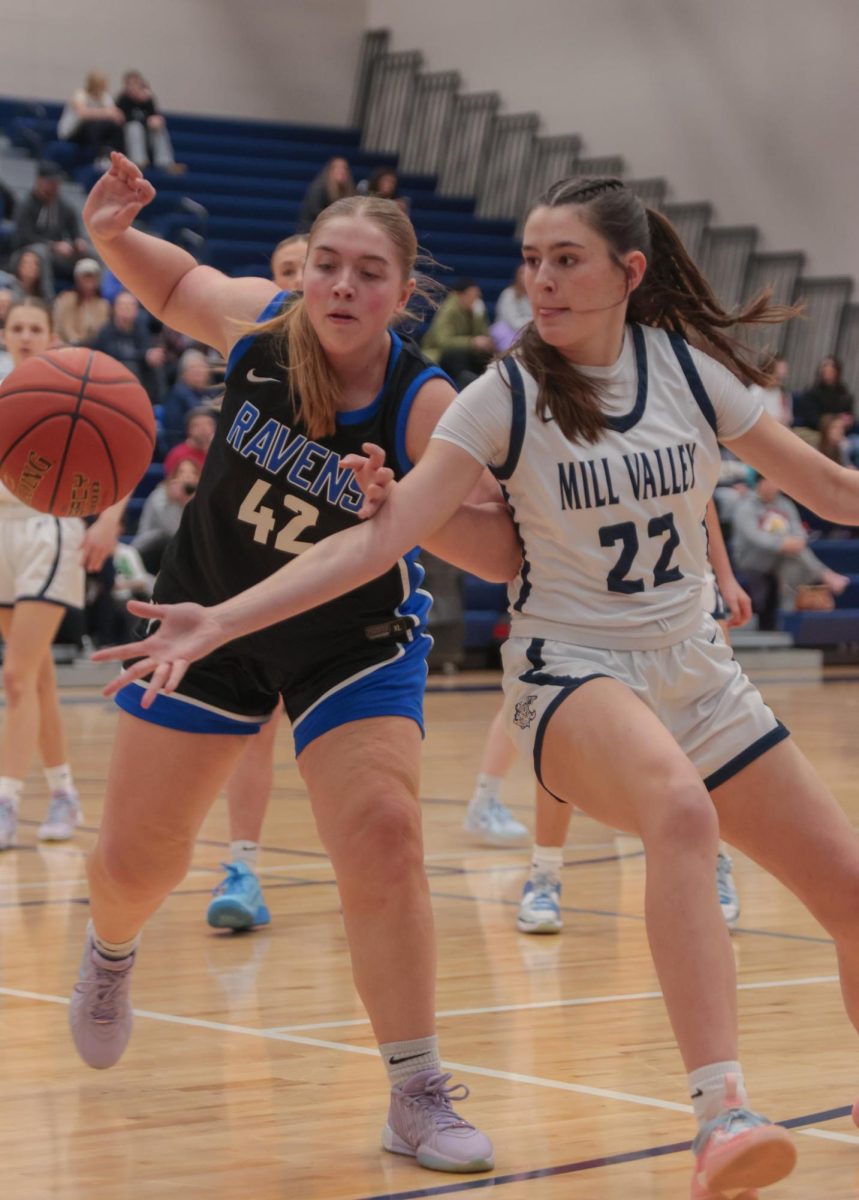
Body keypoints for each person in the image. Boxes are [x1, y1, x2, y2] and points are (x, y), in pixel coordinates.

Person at [108, 174, 859, 1200]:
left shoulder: (681, 371)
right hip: (571, 667)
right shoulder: (495, 393)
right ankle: (721, 1113)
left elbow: (828, 492)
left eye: (564, 260)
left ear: (626, 274)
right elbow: (383, 538)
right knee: (677, 811)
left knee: (850, 896)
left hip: (691, 669)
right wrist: (225, 618)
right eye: (531, 259)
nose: (539, 280)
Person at [70, 152, 522, 1172]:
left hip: (348, 641)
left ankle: (415, 1091)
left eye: (369, 272)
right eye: (328, 264)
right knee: (135, 866)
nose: (343, 286)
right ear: (304, 271)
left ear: (404, 296)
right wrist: (108, 235)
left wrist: (401, 512)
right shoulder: (265, 327)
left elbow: (498, 554)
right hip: (205, 615)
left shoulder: (423, 403)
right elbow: (179, 284)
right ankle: (109, 953)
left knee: (385, 835)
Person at [466, 500, 751, 934]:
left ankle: (716, 863)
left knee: (701, 739)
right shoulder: (552, 438)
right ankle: (544, 873)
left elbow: (704, 498)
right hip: (589, 599)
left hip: (683, 587)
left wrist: (726, 578)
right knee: (562, 745)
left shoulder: (685, 434)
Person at [0, 299, 125, 847]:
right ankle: (64, 794)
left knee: (15, 676)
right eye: (17, 328)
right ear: (5, 336)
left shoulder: (77, 384)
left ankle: (5, 800)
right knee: (38, 680)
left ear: (52, 336)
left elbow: (129, 452)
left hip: (48, 529)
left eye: (35, 328)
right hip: (1, 534)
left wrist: (109, 522)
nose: (25, 336)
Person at [731, 474, 849, 628]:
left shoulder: (785, 504)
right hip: (751, 557)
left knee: (792, 563)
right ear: (760, 483)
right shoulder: (746, 505)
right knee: (794, 553)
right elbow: (754, 537)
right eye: (769, 482)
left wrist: (793, 543)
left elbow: (798, 532)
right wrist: (781, 543)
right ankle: (825, 575)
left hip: (782, 556)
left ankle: (785, 615)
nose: (773, 486)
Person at [131, 457, 200, 575]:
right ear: (174, 476)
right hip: (150, 548)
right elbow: (174, 531)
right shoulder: (160, 496)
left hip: (180, 552)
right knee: (168, 542)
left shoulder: (201, 501)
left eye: (193, 473)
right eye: (182, 472)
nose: (187, 476)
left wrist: (191, 504)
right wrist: (178, 503)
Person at [93, 290, 165, 400]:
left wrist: (151, 355)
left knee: (155, 365)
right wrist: (144, 355)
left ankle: (155, 403)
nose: (126, 309)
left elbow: (146, 351)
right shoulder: (106, 332)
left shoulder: (141, 329)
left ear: (137, 310)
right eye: (122, 306)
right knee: (130, 366)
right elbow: (113, 355)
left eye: (131, 306)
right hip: (109, 374)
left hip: (139, 376)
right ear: (114, 309)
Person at [421, 278, 493, 386]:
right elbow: (444, 342)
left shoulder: (477, 310)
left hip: (466, 350)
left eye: (477, 296)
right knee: (458, 355)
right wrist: (472, 342)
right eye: (471, 295)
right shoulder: (448, 310)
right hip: (439, 352)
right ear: (460, 295)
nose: (475, 299)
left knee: (486, 355)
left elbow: (483, 334)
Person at [114, 71, 181, 172]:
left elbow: (154, 115)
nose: (134, 87)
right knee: (134, 127)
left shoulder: (148, 100)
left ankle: (165, 162)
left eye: (137, 84)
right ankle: (138, 161)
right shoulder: (122, 100)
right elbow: (122, 119)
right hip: (129, 133)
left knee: (159, 128)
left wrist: (157, 121)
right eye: (131, 84)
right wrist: (146, 121)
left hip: (146, 133)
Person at [57, 72, 125, 165]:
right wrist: (106, 112)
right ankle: (99, 158)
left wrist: (115, 115)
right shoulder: (80, 94)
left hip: (90, 131)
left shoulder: (104, 96)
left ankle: (116, 156)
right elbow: (83, 114)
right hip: (72, 132)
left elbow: (116, 114)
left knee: (114, 126)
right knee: (93, 125)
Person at [160, 351, 216, 450]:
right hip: (188, 446)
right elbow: (174, 431)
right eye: (193, 368)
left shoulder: (213, 393)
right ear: (183, 374)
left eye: (202, 367)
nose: (199, 371)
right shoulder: (176, 394)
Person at [53, 258, 111, 346]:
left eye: (92, 277)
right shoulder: (65, 300)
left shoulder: (103, 305)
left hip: (94, 348)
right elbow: (61, 326)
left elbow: (101, 331)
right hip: (66, 347)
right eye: (85, 277)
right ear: (77, 279)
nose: (89, 281)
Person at [793, 355, 854, 431]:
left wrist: (848, 421)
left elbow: (849, 415)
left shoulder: (843, 394)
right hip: (817, 432)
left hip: (841, 433)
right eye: (825, 369)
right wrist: (835, 419)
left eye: (831, 370)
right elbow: (813, 420)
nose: (828, 373)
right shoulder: (812, 393)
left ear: (837, 373)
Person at [297, 156, 355, 232]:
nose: (341, 171)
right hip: (312, 229)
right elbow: (315, 211)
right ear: (330, 171)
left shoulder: (348, 190)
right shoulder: (319, 187)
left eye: (344, 168)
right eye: (337, 168)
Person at [162, 406, 216, 476]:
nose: (204, 429)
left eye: (209, 424)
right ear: (189, 429)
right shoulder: (177, 455)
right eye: (197, 425)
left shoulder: (220, 453)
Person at [490, 264, 532, 352]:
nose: (525, 277)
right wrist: (532, 323)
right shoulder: (508, 294)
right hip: (508, 331)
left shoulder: (535, 296)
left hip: (528, 331)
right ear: (517, 276)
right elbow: (513, 322)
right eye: (522, 273)